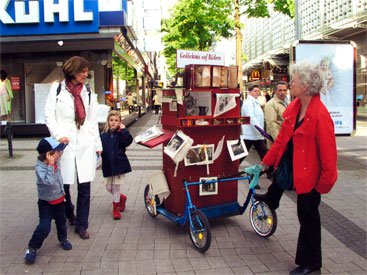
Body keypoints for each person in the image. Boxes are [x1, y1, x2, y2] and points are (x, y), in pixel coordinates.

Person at [255, 62, 338, 275]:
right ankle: (307, 262)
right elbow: (282, 140)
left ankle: (311, 264)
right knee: (305, 216)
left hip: (312, 178)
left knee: (309, 219)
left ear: (306, 86)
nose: (290, 83)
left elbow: (329, 155)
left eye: (294, 81)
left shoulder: (320, 114)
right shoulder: (294, 107)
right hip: (299, 172)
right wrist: (265, 162)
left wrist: (323, 184)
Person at [44, 56, 102, 240]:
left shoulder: (89, 93)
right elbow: (49, 116)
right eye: (83, 71)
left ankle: (81, 225)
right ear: (72, 70)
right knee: (65, 185)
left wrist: (97, 145)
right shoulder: (57, 89)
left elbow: (92, 121)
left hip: (84, 143)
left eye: (87, 71)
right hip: (65, 144)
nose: (86, 75)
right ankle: (70, 214)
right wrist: (57, 135)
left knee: (85, 186)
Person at [25, 137, 72, 265]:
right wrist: (51, 166)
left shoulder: (55, 159)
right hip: (46, 203)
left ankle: (63, 239)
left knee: (62, 222)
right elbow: (49, 182)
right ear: (49, 155)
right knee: (44, 227)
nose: (60, 155)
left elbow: (61, 149)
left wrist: (64, 143)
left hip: (60, 201)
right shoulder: (40, 168)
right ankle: (32, 248)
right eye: (57, 152)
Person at [100, 110, 133, 220]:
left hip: (119, 165)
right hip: (108, 165)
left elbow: (128, 141)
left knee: (116, 187)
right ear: (108, 121)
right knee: (108, 187)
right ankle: (121, 198)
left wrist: (123, 130)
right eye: (111, 120)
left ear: (120, 122)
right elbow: (100, 148)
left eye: (116, 120)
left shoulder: (121, 134)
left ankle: (116, 209)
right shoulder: (103, 135)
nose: (113, 122)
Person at [240, 84, 267, 166]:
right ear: (250, 92)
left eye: (258, 91)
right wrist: (260, 129)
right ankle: (231, 170)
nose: (257, 93)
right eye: (255, 91)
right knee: (241, 155)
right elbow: (251, 117)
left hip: (256, 134)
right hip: (250, 134)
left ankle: (270, 171)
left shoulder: (255, 102)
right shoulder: (248, 103)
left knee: (264, 155)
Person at [264, 81, 288, 149]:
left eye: (284, 90)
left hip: (285, 140)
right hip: (277, 143)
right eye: (280, 90)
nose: (282, 92)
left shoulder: (286, 102)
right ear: (275, 91)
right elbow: (272, 124)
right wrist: (279, 142)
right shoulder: (271, 104)